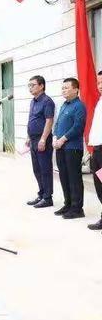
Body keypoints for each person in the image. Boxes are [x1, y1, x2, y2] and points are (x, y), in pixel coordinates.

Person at [53, 78, 87, 219]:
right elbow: (58, 123)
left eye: (66, 88)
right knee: (64, 176)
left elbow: (78, 127)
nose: (64, 90)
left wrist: (63, 139)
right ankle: (68, 204)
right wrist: (55, 137)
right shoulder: (64, 105)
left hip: (72, 148)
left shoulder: (79, 106)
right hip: (60, 147)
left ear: (76, 89)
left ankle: (77, 208)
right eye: (62, 88)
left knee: (74, 178)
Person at [25, 76, 56, 208]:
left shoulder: (47, 101)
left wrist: (43, 139)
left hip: (42, 139)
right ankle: (42, 194)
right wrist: (28, 136)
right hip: (33, 139)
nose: (30, 88)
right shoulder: (33, 101)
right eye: (29, 86)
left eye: (33, 85)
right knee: (36, 169)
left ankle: (48, 198)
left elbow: (49, 120)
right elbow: (31, 118)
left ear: (41, 86)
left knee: (45, 169)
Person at [88, 71, 102, 230]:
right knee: (99, 185)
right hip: (97, 150)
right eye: (98, 83)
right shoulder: (99, 102)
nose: (100, 86)